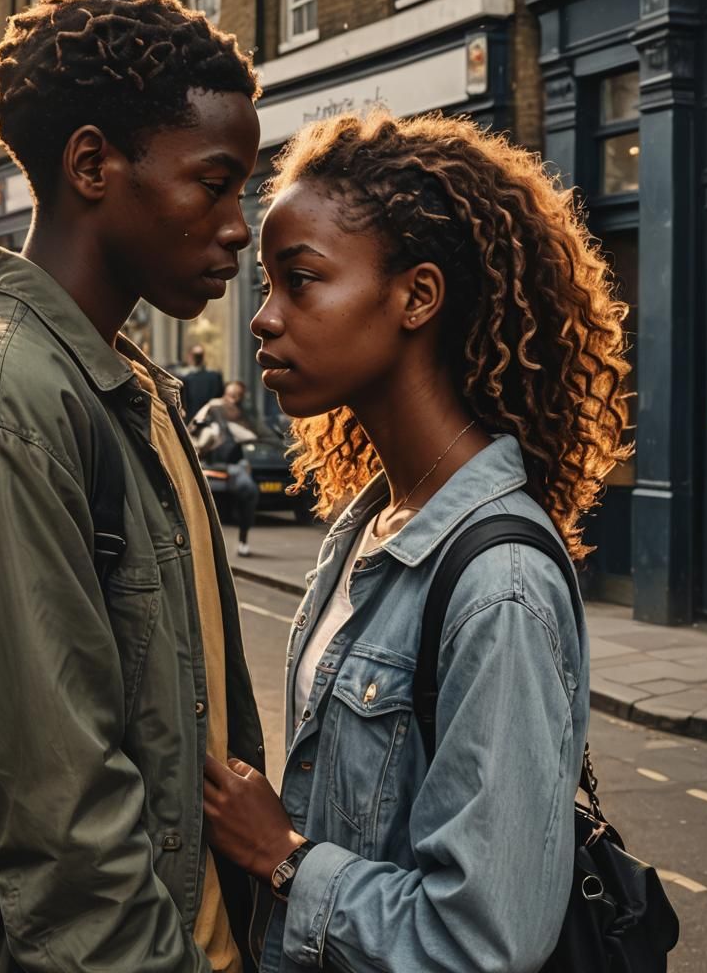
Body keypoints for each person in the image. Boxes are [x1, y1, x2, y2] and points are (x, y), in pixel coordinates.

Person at [0, 0, 264, 972]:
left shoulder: (122, 382)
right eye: (214, 182)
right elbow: (69, 839)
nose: (237, 225)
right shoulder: (11, 409)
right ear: (93, 164)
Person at [202, 113, 631, 973]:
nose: (264, 320)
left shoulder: (499, 584)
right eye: (267, 285)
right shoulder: (370, 527)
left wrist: (283, 854)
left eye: (302, 281)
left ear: (418, 296)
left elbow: (482, 937)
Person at [190, 379, 261, 556]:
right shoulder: (213, 408)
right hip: (211, 465)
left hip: (235, 466)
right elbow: (193, 428)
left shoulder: (244, 415)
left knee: (249, 490)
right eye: (230, 394)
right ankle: (200, 545)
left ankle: (243, 541)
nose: (233, 399)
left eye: (237, 396)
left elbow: (257, 435)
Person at [182, 342, 225, 417]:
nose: (197, 358)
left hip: (209, 417)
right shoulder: (185, 377)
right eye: (196, 356)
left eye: (198, 356)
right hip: (193, 418)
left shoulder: (214, 376)